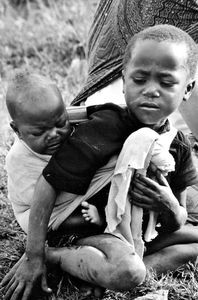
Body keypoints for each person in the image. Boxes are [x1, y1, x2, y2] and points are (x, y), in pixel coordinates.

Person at [2, 24, 198, 300]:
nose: (151, 91)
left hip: (141, 234)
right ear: (124, 79)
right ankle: (56, 257)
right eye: (140, 79)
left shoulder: (176, 145)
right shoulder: (105, 127)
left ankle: (101, 274)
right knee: (129, 271)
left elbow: (177, 220)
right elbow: (48, 183)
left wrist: (167, 204)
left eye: (166, 83)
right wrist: (34, 254)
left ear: (187, 89)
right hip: (90, 230)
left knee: (192, 243)